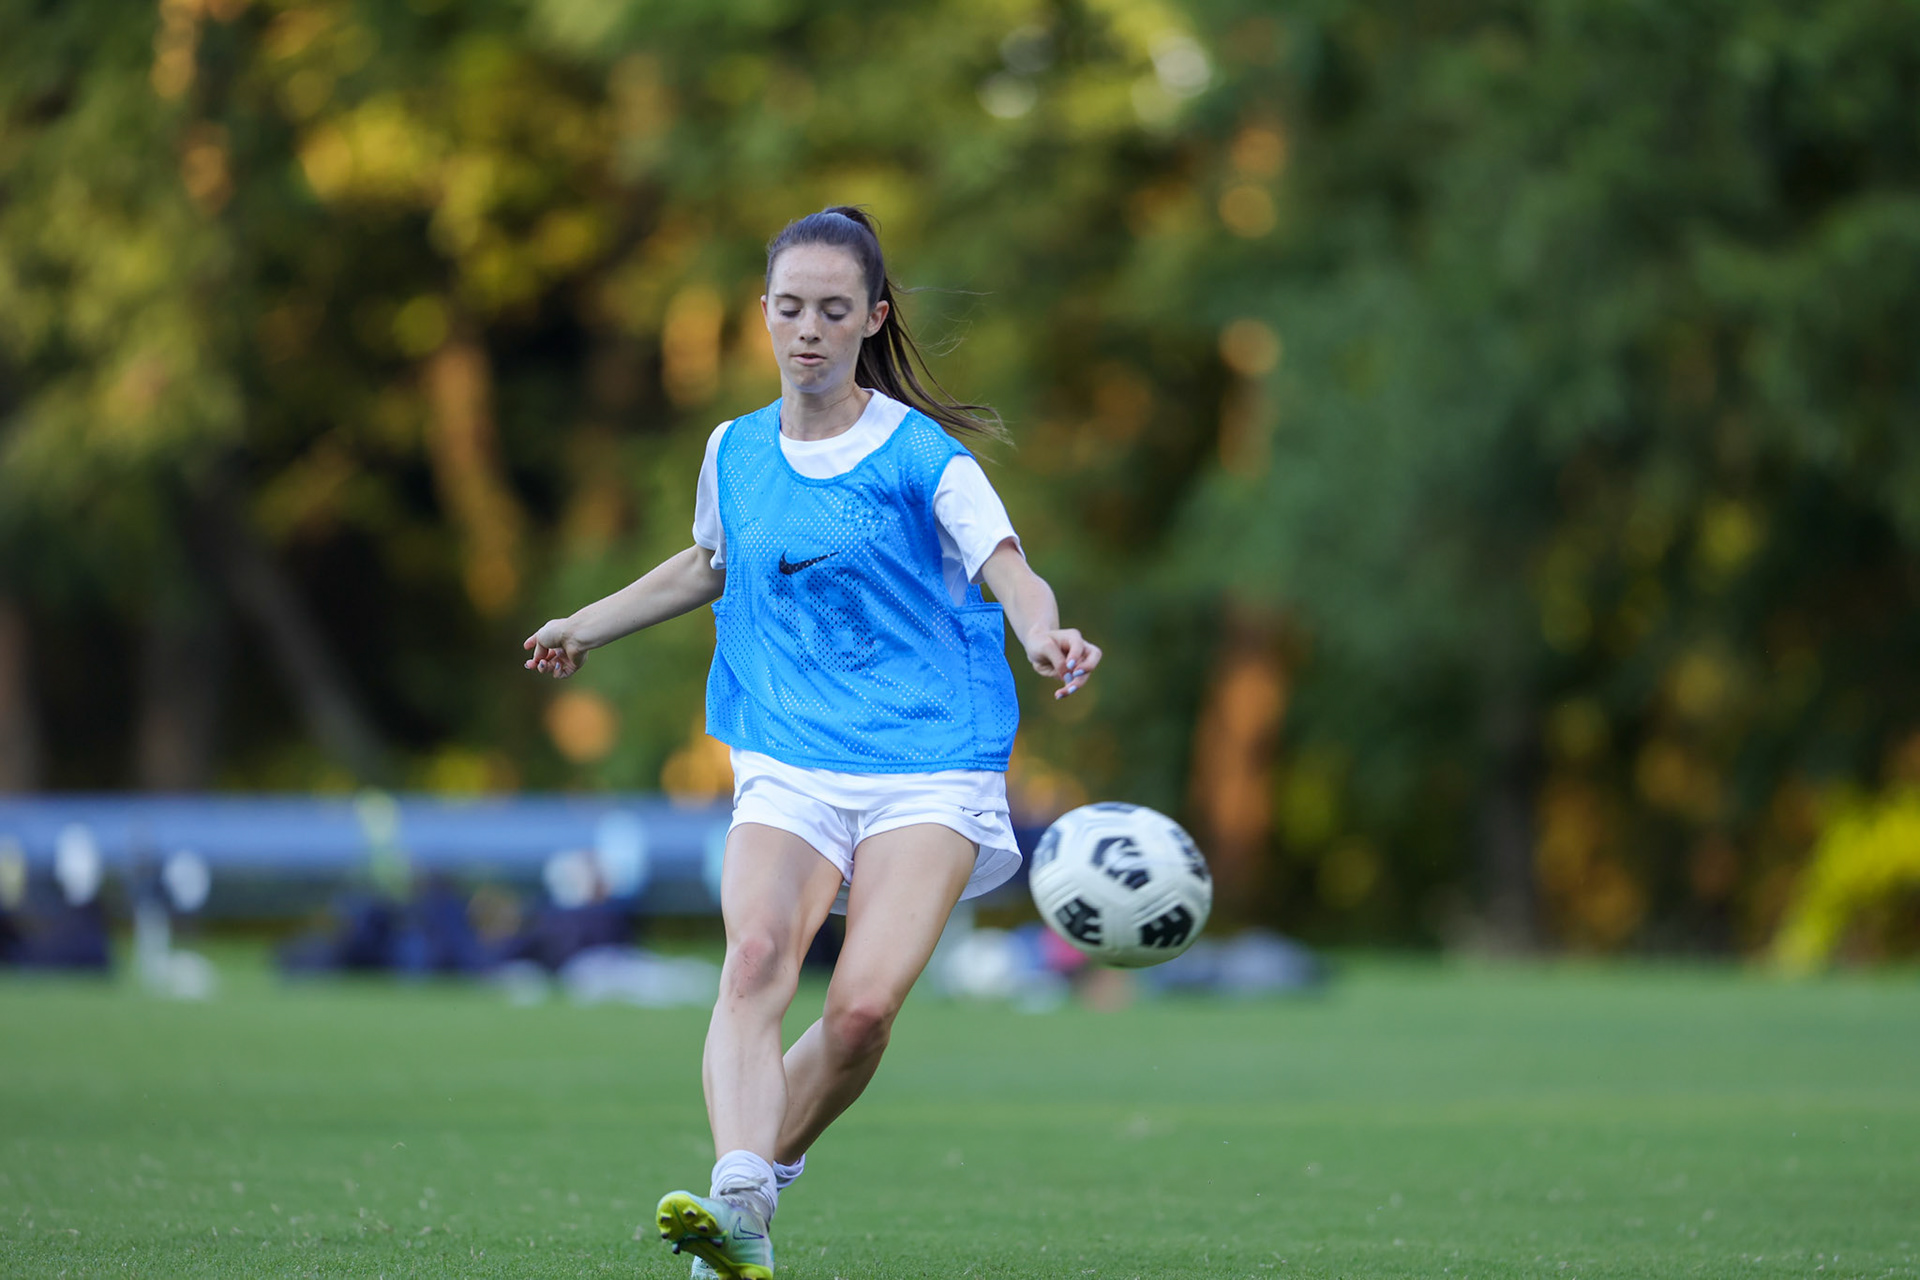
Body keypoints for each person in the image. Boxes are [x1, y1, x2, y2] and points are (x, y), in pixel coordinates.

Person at [522, 207, 1101, 1279]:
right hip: (787, 751)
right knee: (752, 958)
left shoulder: (923, 455)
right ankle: (740, 1189)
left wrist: (1045, 633)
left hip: (929, 760)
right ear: (764, 313)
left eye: (835, 310)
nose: (809, 330)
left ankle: (748, 1190)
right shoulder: (733, 450)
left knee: (864, 1010)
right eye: (790, 307)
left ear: (871, 318)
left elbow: (1009, 568)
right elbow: (707, 563)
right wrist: (582, 624)